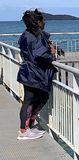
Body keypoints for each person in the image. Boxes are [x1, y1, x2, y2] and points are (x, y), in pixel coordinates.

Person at [16, 9, 57, 140]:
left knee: (37, 98)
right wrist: (51, 53)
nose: (44, 22)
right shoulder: (36, 36)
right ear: (38, 22)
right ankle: (23, 130)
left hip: (29, 70)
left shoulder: (26, 34)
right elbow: (39, 54)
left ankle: (27, 127)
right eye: (42, 20)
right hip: (34, 72)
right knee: (29, 100)